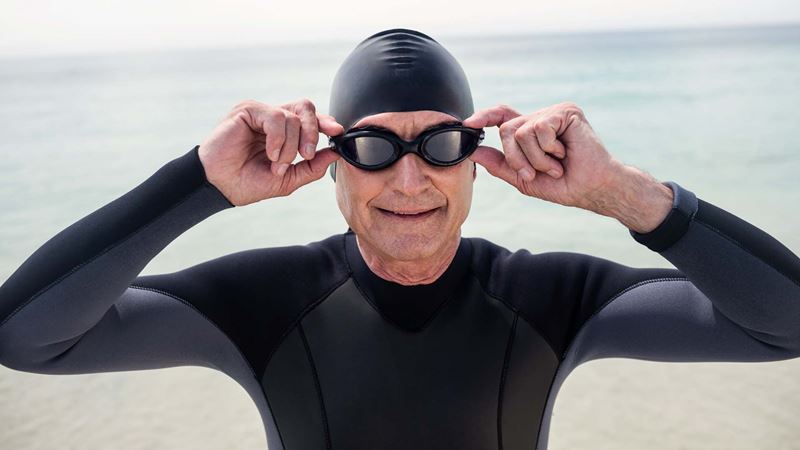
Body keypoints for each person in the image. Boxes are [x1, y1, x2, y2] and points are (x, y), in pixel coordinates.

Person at [0, 28, 798, 450]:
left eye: (440, 147)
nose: (410, 182)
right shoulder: (261, 303)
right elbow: (27, 337)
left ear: (477, 165)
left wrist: (622, 192)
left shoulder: (553, 299)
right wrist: (196, 185)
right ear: (333, 168)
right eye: (375, 148)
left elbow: (785, 324)